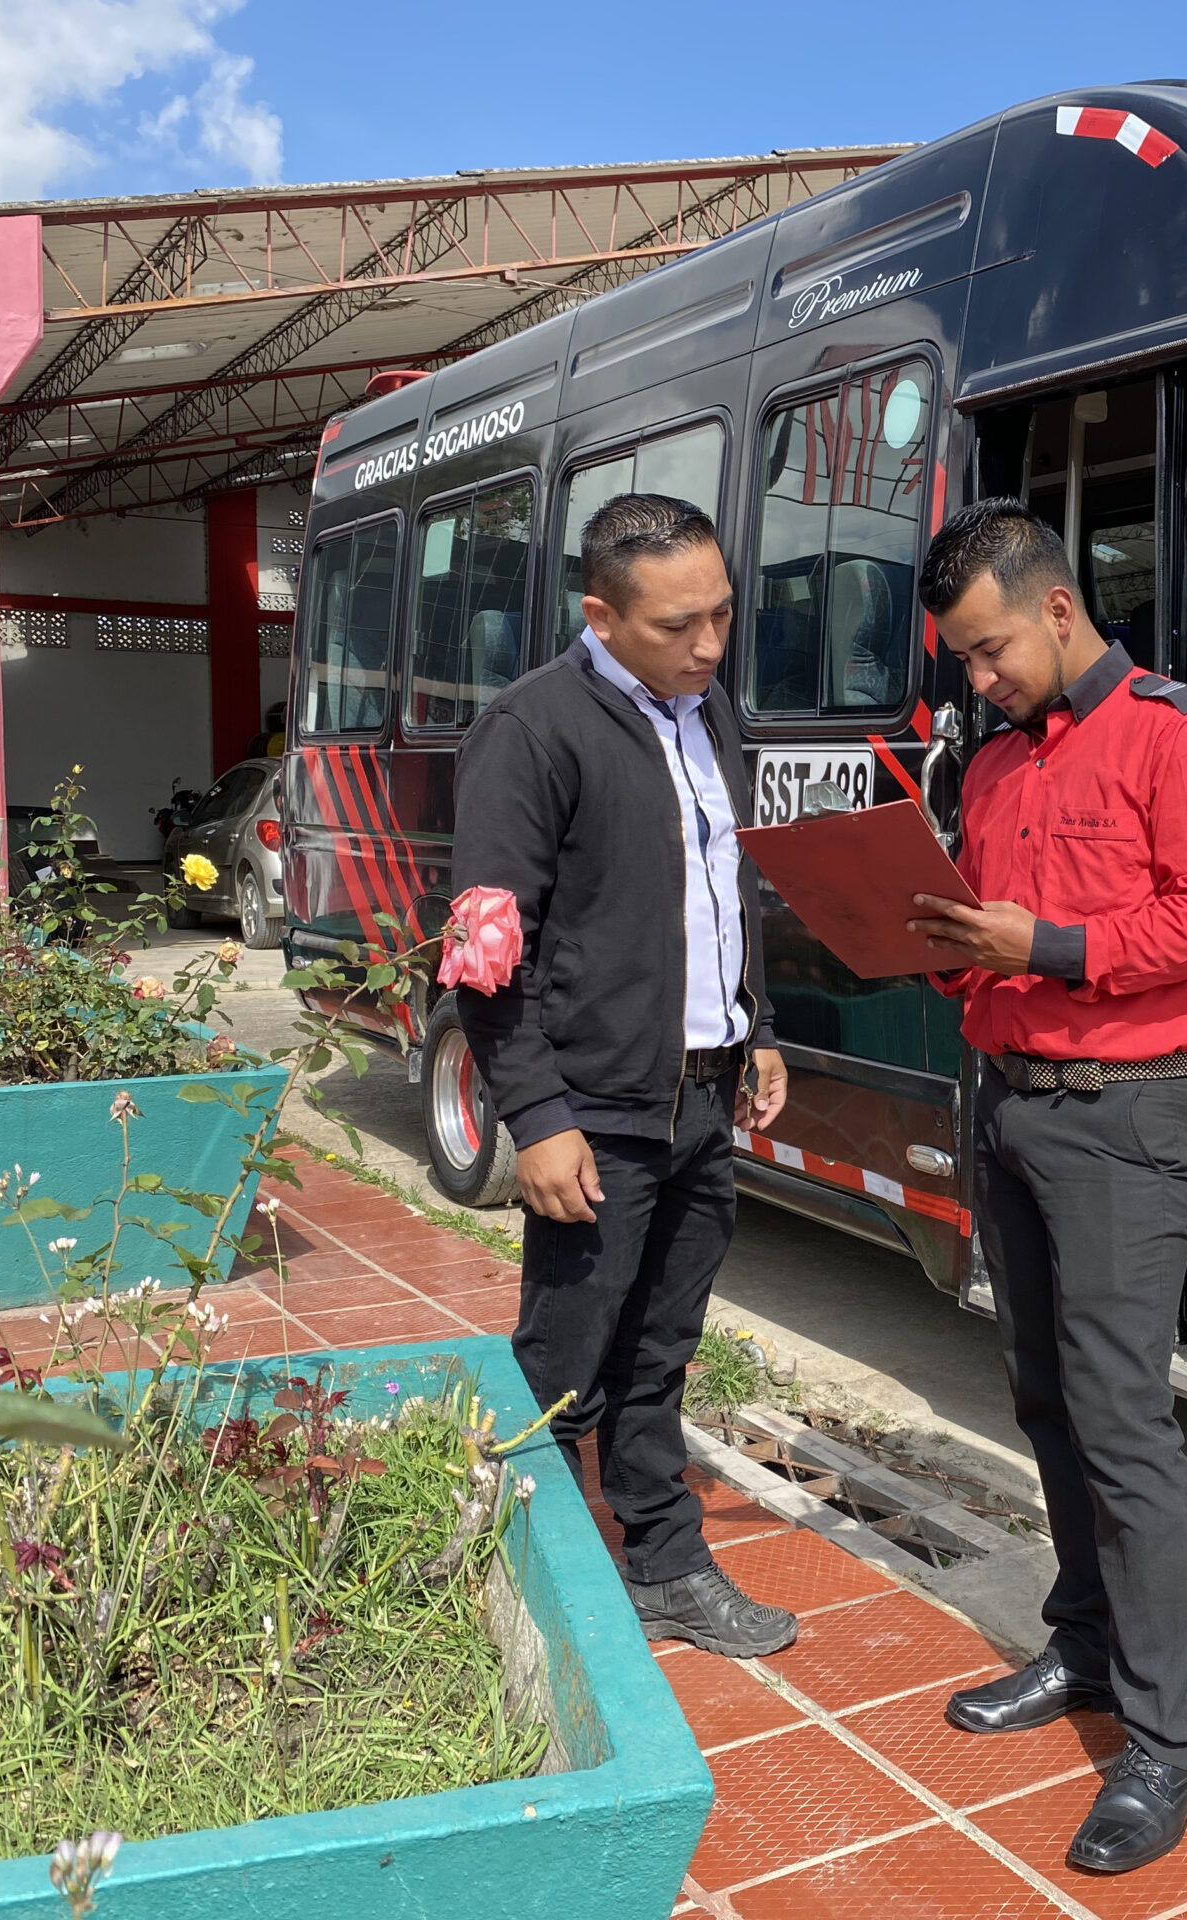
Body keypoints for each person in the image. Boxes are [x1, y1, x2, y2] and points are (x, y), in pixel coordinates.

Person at [906, 496, 1187, 1874]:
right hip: (1005, 1105)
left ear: (1058, 607)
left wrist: (1043, 941)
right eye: (965, 663)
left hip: (1123, 1121)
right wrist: (932, 941)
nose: (979, 680)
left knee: (1123, 1426)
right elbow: (982, 938)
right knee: (1046, 1398)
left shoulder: (1179, 736)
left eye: (992, 652)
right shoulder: (992, 768)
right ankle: (1089, 1652)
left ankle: (1171, 1742)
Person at [451, 492, 796, 1657]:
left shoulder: (712, 716)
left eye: (722, 618)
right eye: (675, 626)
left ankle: (661, 1559)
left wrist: (757, 1029)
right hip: (595, 1113)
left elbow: (724, 895)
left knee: (663, 1348)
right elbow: (487, 951)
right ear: (600, 614)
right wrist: (536, 1118)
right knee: (562, 1359)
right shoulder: (534, 729)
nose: (706, 646)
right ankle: (508, 1582)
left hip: (702, 1092)